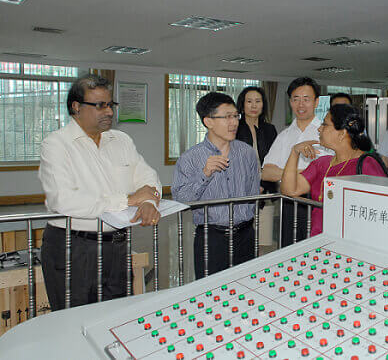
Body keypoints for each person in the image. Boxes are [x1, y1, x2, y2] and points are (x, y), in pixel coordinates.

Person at [38, 74, 161, 311]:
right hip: (74, 248)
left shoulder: (121, 140)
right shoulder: (56, 144)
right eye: (100, 105)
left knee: (114, 317)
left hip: (116, 247)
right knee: (74, 321)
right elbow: (62, 200)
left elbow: (147, 176)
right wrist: (128, 200)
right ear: (76, 107)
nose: (109, 112)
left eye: (110, 104)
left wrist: (148, 202)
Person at [172, 92, 260, 279]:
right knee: (211, 290)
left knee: (248, 286)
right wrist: (204, 174)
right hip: (211, 238)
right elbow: (181, 200)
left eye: (236, 116)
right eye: (227, 117)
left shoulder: (247, 153)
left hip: (245, 235)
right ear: (208, 121)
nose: (234, 122)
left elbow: (253, 192)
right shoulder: (190, 158)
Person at [280, 104, 388, 235]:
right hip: (318, 238)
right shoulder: (322, 163)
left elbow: (382, 208)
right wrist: (294, 152)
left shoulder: (367, 164)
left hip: (349, 239)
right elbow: (289, 190)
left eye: (325, 124)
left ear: (342, 133)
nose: (319, 129)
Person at [262, 77, 332, 247]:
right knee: (289, 249)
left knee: (318, 250)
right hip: (288, 203)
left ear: (316, 102)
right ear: (290, 102)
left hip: (318, 203)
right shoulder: (284, 136)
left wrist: (288, 174)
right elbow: (266, 172)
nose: (301, 104)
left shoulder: (327, 133)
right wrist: (305, 174)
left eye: (306, 99)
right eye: (296, 99)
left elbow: (332, 171)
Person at [235, 86, 278, 193]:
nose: (254, 106)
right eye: (249, 101)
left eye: (258, 101)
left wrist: (262, 186)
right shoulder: (234, 128)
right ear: (242, 105)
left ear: (263, 105)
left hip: (266, 188)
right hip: (240, 187)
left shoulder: (270, 129)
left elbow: (276, 160)